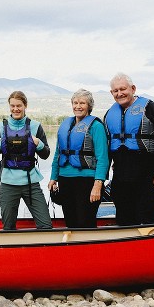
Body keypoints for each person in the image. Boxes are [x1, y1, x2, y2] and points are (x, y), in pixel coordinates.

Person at [103, 73, 154, 226]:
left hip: (147, 177)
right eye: (115, 91)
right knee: (124, 220)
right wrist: (102, 177)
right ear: (111, 93)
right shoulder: (109, 114)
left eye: (123, 89)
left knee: (146, 221)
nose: (119, 93)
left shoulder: (150, 108)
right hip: (121, 178)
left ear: (133, 89)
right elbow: (107, 150)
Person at [0, 91, 53, 230]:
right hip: (8, 184)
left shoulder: (35, 126)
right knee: (8, 228)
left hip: (31, 184)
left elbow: (46, 154)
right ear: (9, 106)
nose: (15, 109)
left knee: (46, 226)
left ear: (25, 105)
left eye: (19, 106)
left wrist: (38, 143)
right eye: (12, 106)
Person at [48, 89, 109, 228]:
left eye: (82, 103)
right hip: (65, 180)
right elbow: (58, 154)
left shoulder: (96, 127)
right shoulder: (66, 125)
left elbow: (103, 158)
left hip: (87, 181)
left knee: (85, 222)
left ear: (89, 106)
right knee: (70, 222)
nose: (78, 106)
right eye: (75, 103)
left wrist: (97, 185)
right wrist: (53, 177)